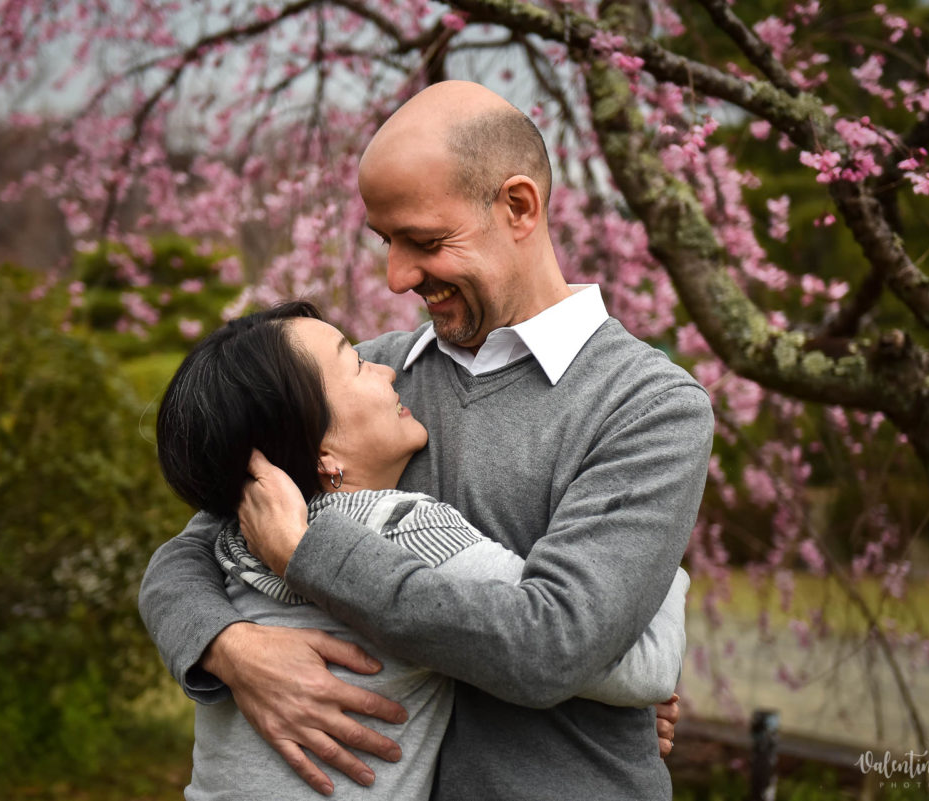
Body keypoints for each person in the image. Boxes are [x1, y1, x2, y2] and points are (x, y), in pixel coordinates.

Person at [140, 80, 714, 801]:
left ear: (518, 207)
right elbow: (191, 551)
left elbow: (557, 647)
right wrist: (233, 647)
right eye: (386, 242)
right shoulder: (370, 383)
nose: (397, 275)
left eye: (425, 241)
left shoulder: (647, 406)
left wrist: (312, 557)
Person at [155, 300, 690, 800]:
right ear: (322, 455)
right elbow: (637, 666)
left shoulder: (240, 542)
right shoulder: (406, 526)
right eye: (358, 365)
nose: (387, 371)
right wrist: (657, 565)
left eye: (424, 238)